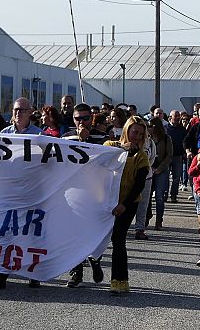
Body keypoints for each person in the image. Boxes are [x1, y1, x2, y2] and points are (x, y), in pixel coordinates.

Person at [0, 97, 42, 289]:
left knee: (30, 233)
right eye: (16, 110)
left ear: (30, 113)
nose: (18, 114)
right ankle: (1, 273)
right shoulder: (4, 134)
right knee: (4, 232)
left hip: (29, 191)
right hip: (8, 191)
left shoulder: (38, 135)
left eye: (22, 110)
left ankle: (34, 273)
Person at [62, 104, 111, 288]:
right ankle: (76, 272)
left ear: (91, 119)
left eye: (85, 118)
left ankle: (95, 258)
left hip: (95, 191)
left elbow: (106, 161)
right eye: (77, 119)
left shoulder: (103, 138)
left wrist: (87, 140)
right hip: (74, 191)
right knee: (73, 232)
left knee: (95, 231)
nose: (81, 122)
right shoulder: (66, 137)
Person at [103, 116, 150, 294]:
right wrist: (123, 148)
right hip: (106, 201)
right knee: (97, 236)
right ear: (126, 130)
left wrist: (124, 204)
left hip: (128, 203)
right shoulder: (110, 146)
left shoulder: (141, 156)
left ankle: (119, 280)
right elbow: (100, 157)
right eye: (134, 132)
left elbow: (139, 184)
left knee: (118, 240)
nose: (137, 136)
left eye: (140, 134)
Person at [146, 117, 173, 231]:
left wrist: (159, 169)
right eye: (148, 126)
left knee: (159, 196)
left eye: (151, 126)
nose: (149, 128)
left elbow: (169, 156)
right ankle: (147, 217)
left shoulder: (166, 139)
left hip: (161, 170)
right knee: (146, 196)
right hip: (148, 169)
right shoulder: (146, 139)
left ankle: (159, 220)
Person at [165, 110, 187, 202]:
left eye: (179, 116)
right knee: (165, 177)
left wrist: (184, 152)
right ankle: (165, 194)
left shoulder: (182, 129)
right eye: (176, 116)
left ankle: (173, 195)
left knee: (176, 178)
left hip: (178, 156)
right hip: (166, 157)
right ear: (170, 117)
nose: (178, 118)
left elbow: (185, 142)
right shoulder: (165, 129)